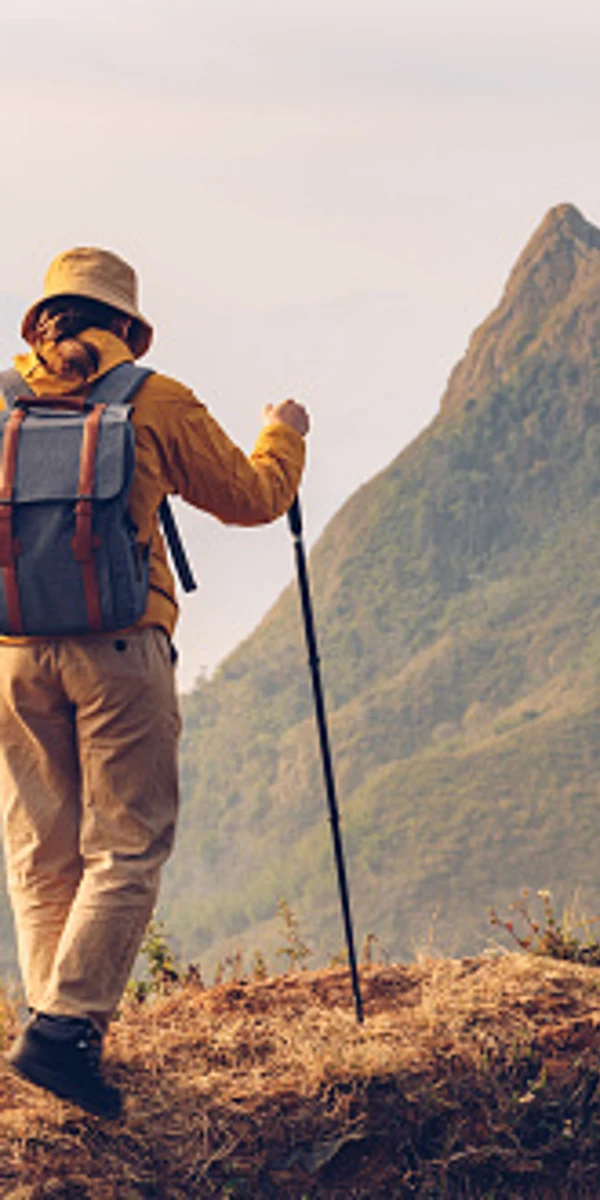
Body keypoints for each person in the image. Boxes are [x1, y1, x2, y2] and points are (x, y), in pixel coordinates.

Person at [0, 247, 308, 1118]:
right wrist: (285, 431)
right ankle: (64, 1034)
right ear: (127, 327)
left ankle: (52, 1030)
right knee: (127, 844)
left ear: (43, 322)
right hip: (120, 649)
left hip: (13, 650)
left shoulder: (4, 399)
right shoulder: (155, 399)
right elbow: (254, 497)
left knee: (41, 852)